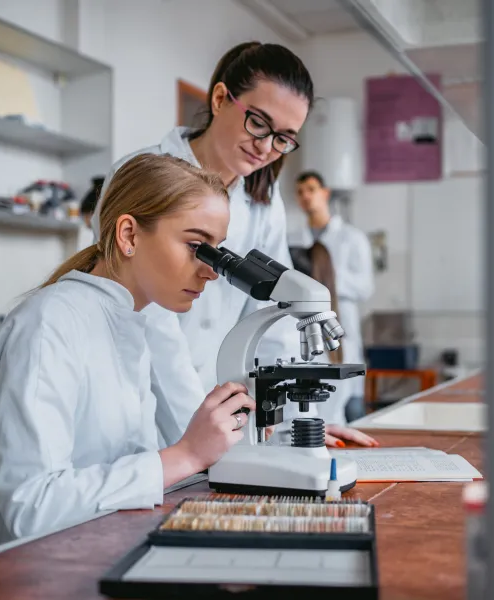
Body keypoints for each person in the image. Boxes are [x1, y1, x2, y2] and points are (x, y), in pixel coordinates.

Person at [92, 42, 376, 449]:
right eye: (259, 123)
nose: (265, 147)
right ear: (221, 98)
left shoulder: (262, 201)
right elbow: (149, 319)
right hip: (142, 400)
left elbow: (273, 316)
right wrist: (207, 436)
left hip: (217, 410)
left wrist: (292, 422)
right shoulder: (140, 174)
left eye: (283, 138)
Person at [0, 154, 255, 553]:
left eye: (216, 251)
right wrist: (185, 454)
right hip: (13, 573)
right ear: (129, 235)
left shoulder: (128, 320)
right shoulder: (51, 321)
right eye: (196, 246)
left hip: (85, 551)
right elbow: (32, 506)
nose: (211, 270)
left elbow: (122, 470)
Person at [289, 171, 375, 423]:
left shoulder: (352, 238)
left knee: (351, 412)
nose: (306, 196)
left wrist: (326, 278)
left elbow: (365, 287)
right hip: (304, 329)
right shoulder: (292, 239)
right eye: (300, 191)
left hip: (341, 330)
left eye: (311, 189)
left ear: (325, 193)